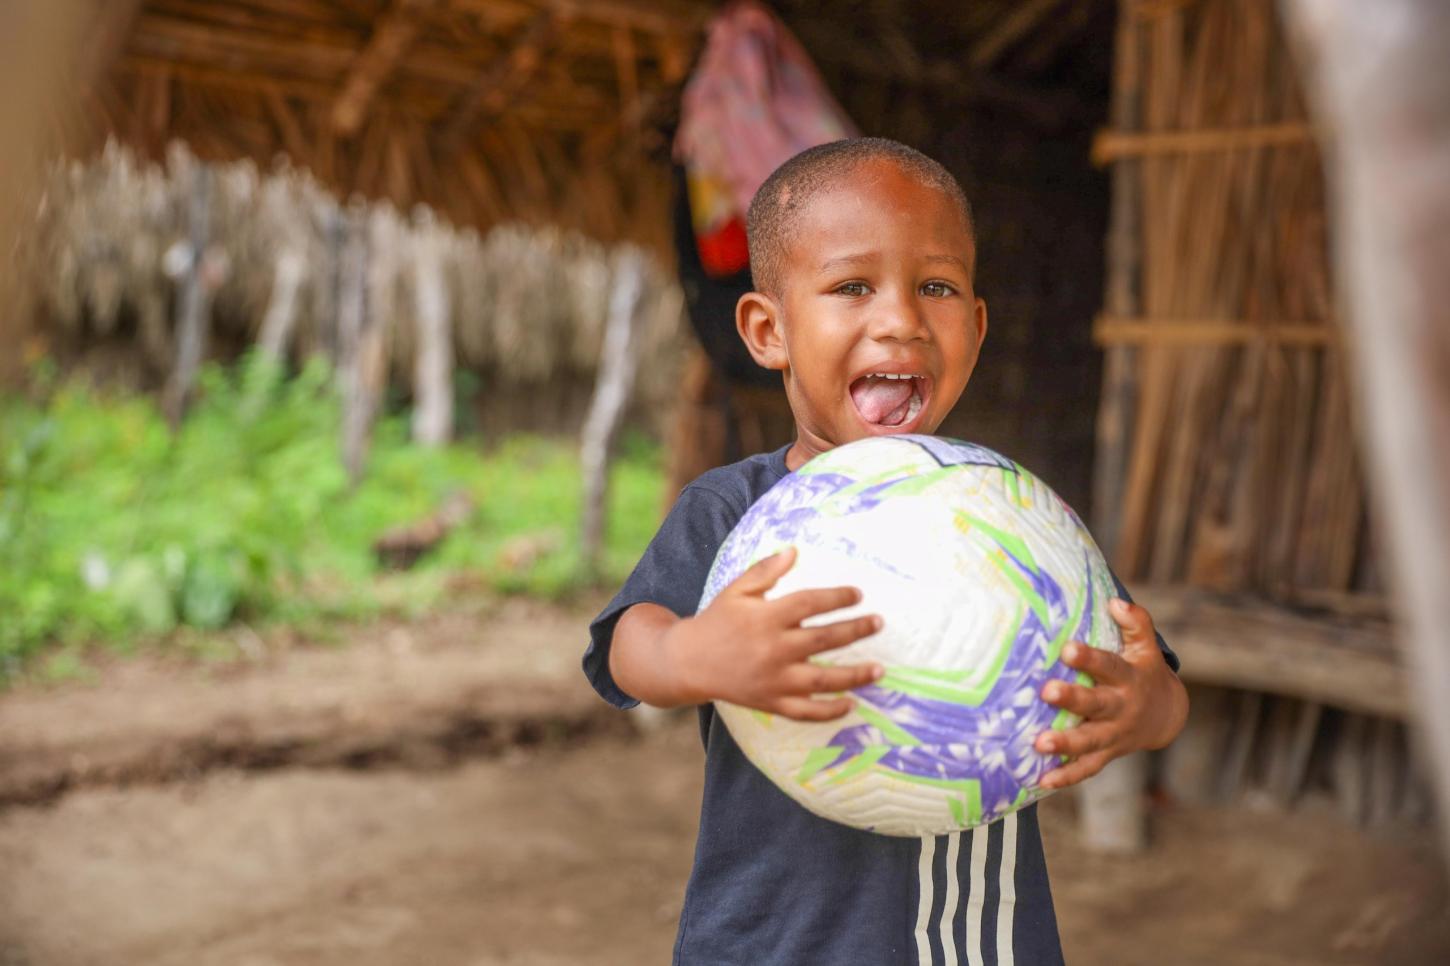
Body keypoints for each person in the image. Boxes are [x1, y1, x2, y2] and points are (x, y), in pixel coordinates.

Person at [583, 137, 1189, 965]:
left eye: (936, 287)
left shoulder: (1017, 523)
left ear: (977, 327)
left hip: (974, 946)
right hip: (768, 946)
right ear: (768, 330)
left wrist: (1144, 707)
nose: (901, 319)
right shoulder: (733, 509)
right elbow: (627, 647)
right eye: (852, 287)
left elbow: (1158, 689)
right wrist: (693, 653)